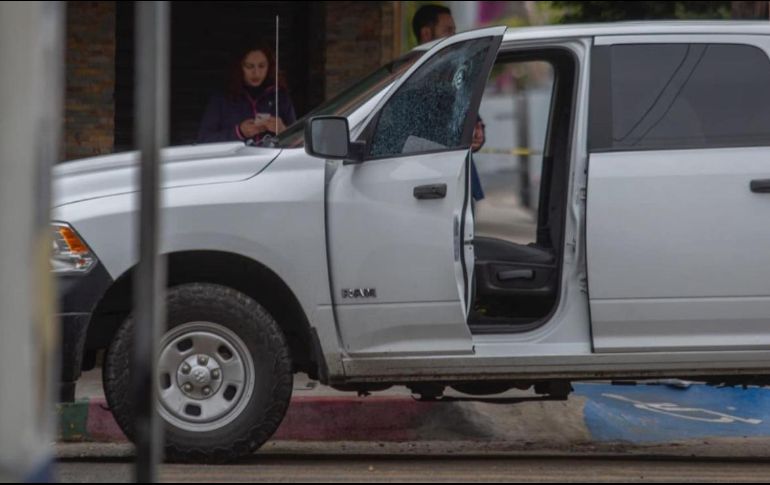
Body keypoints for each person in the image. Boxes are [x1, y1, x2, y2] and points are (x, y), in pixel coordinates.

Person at [413, 5, 484, 201]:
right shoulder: (410, 80)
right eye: (448, 31)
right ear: (427, 33)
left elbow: (469, 117)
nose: (454, 37)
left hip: (462, 181)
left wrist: (477, 134)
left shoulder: (455, 72)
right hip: (427, 186)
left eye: (454, 30)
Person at [198, 40, 296, 144]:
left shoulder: (279, 95)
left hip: (272, 159)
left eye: (262, 66)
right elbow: (204, 139)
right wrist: (238, 132)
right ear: (239, 67)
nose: (256, 73)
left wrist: (283, 130)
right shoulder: (223, 97)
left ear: (269, 66)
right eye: (249, 66)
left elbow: (298, 141)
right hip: (238, 159)